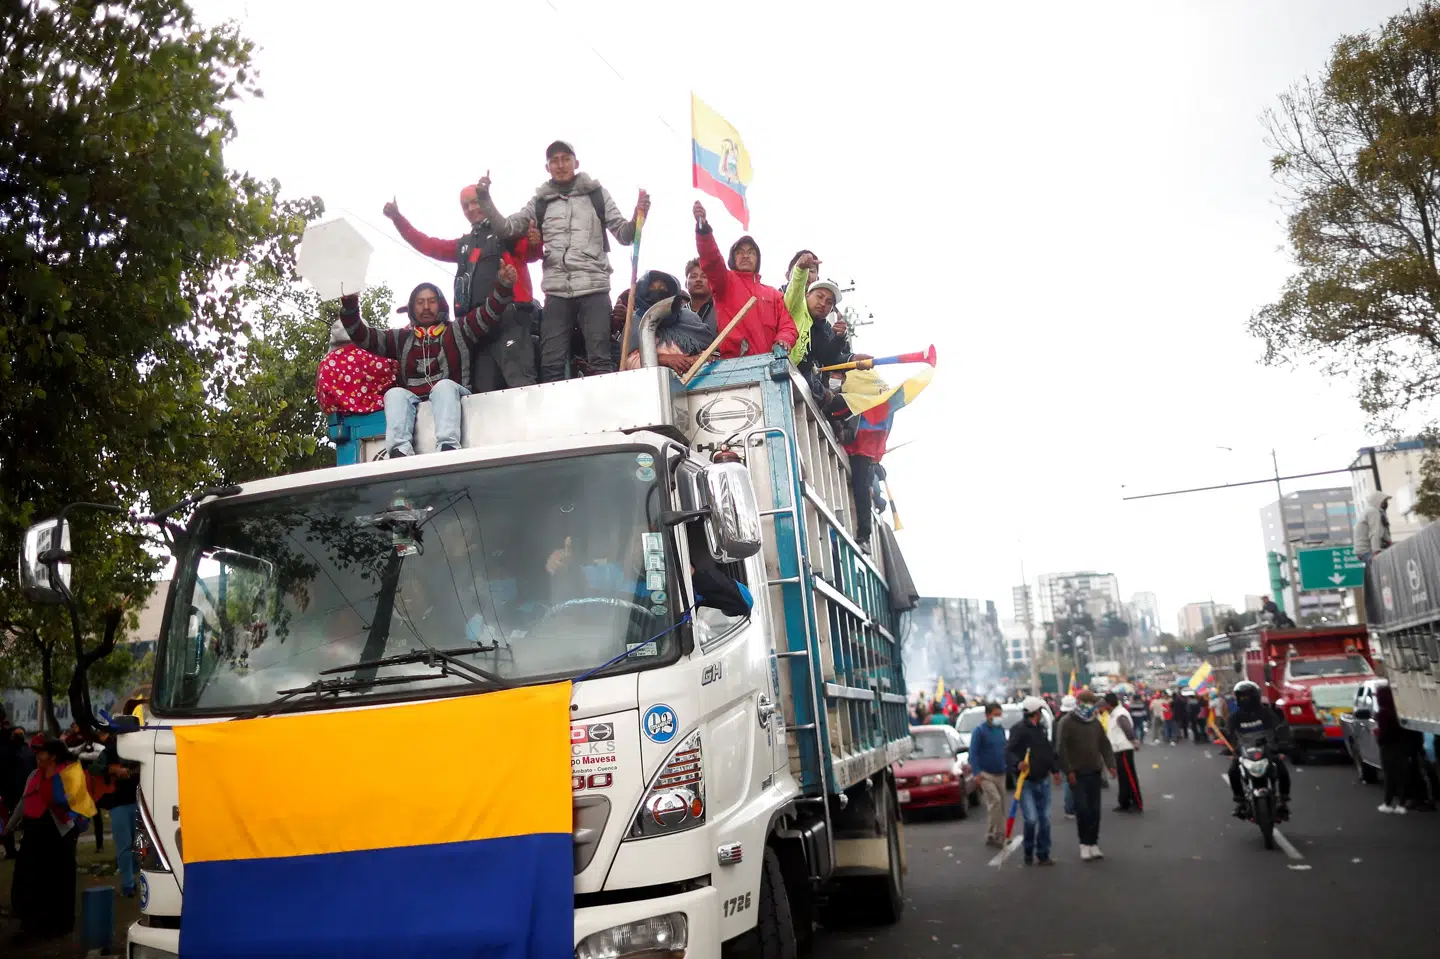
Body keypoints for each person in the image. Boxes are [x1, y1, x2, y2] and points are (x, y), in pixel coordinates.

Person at [471, 143, 648, 382]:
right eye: (555, 160)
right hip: (556, 292)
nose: (561, 165)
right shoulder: (540, 202)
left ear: (576, 163)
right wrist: (485, 199)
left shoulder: (597, 194)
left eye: (566, 159)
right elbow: (506, 228)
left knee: (601, 359)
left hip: (594, 287)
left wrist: (639, 215)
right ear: (547, 167)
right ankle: (556, 417)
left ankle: (607, 413)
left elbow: (625, 236)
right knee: (551, 363)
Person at [340, 273, 517, 457]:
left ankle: (448, 447)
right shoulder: (401, 339)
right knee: (394, 394)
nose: (426, 307)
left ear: (441, 304)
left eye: (431, 301)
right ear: (412, 307)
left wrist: (503, 286)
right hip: (415, 401)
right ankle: (399, 451)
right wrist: (350, 304)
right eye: (420, 302)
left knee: (443, 387)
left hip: (454, 397)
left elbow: (488, 314)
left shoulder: (459, 330)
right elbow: (363, 337)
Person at [382, 189, 541, 392]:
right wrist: (397, 219)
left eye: (476, 202)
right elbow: (429, 245)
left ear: (486, 200)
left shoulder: (508, 232)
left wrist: (536, 242)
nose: (472, 208)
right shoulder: (464, 244)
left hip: (511, 319)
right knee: (483, 393)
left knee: (522, 385)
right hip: (476, 327)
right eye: (465, 205)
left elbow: (532, 253)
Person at [6, 739, 89, 943]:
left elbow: (80, 804)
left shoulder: (68, 773)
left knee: (57, 879)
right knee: (28, 878)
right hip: (34, 832)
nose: (37, 756)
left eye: (41, 752)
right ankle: (31, 924)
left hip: (58, 834)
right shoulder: (34, 775)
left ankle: (57, 925)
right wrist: (9, 827)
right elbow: (24, 802)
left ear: (52, 755)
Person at [692, 200, 797, 360]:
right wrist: (703, 229)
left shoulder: (774, 294)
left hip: (770, 367)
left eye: (751, 252)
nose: (746, 255)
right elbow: (711, 259)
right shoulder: (725, 282)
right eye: (740, 252)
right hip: (735, 368)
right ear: (733, 259)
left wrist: (783, 340)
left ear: (758, 259)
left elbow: (788, 326)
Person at [615, 271, 718, 373]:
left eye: (663, 288)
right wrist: (663, 359)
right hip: (655, 384)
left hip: (695, 381)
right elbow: (629, 362)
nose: (657, 292)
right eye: (652, 288)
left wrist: (699, 358)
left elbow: (710, 352)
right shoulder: (636, 322)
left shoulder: (689, 317)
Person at [1057, 690, 1116, 862]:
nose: (1092, 706)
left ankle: (1093, 843)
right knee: (1082, 809)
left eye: (1093, 703)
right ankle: (1084, 843)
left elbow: (1104, 744)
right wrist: (1068, 771)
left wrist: (1110, 764)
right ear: (1080, 703)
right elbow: (1061, 748)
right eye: (1089, 702)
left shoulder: (1094, 722)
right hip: (1077, 773)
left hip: (1094, 771)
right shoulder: (1066, 722)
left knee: (1095, 810)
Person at [1006, 696, 1060, 865]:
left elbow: (1048, 752)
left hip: (1043, 780)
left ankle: (1043, 854)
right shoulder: (1019, 730)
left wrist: (1055, 770)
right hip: (1027, 782)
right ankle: (1028, 851)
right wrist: (1017, 763)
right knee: (1031, 819)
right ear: (1035, 713)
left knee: (1045, 819)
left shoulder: (1042, 729)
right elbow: (1008, 751)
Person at [1226, 680, 1291, 819]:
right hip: (1246, 753)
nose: (1245, 700)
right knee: (1232, 771)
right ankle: (1240, 801)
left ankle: (1284, 801)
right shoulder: (1234, 718)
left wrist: (1282, 746)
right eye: (1242, 697)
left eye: (1247, 696)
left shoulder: (1268, 713)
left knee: (1282, 771)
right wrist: (1230, 749)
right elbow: (1229, 736)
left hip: (1267, 751)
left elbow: (1280, 730)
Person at [91, 726, 140, 896]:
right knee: (124, 845)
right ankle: (128, 884)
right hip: (118, 803)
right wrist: (113, 770)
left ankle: (136, 878)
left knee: (139, 846)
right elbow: (94, 769)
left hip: (138, 802)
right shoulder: (110, 751)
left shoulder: (138, 750)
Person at [315, 318, 399, 415]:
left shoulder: (326, 362)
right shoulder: (361, 357)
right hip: (361, 405)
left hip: (333, 409)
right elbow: (391, 371)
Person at [969, 702, 1008, 848]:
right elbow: (973, 753)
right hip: (986, 774)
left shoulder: (1000, 730)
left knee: (999, 805)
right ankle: (1000, 835)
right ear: (988, 715)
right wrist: (976, 773)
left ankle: (991, 833)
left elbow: (1004, 748)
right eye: (996, 715)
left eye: (1000, 714)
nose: (999, 717)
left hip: (1000, 773)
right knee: (995, 801)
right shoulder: (979, 732)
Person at [1103, 692, 1144, 813]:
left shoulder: (1120, 714)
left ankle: (1137, 803)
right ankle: (1124, 802)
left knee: (1129, 776)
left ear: (1109, 704)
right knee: (1123, 778)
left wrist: (1134, 741)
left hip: (1124, 749)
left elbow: (1128, 730)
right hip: (1118, 749)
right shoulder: (1115, 713)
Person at [1376, 683, 1410, 814]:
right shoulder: (1400, 712)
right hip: (1402, 746)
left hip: (1388, 747)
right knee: (1402, 775)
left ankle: (1388, 803)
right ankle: (1402, 804)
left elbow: (1383, 733)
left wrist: (1379, 739)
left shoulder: (1383, 714)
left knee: (1389, 775)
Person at [1354, 490, 1393, 563]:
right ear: (1378, 501)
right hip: (1367, 551)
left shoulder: (1376, 512)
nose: (1386, 503)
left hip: (1364, 551)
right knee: (1384, 567)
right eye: (1384, 501)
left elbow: (1383, 532)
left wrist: (1390, 543)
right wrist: (1376, 551)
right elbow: (1375, 532)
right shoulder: (1373, 512)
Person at [1055, 695, 1078, 820]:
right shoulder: (1069, 721)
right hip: (1070, 755)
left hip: (1062, 756)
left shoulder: (1057, 719)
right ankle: (1070, 809)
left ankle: (1071, 808)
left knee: (1068, 782)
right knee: (1070, 783)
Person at [684, 258, 715, 325]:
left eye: (704, 276)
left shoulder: (720, 311)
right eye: (693, 276)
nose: (698, 280)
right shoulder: (677, 315)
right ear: (686, 283)